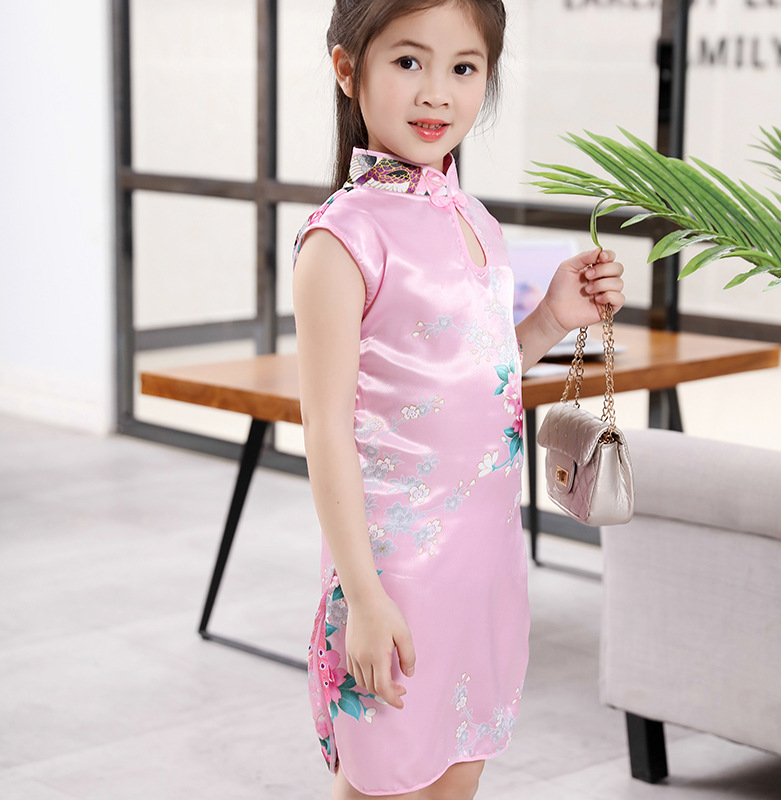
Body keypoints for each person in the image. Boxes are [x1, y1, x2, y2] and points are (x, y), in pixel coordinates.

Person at [292, 1, 626, 797]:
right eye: (409, 61)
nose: (437, 91)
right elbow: (326, 433)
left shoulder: (476, 221)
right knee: (386, 776)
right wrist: (364, 597)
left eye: (464, 67)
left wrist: (550, 319)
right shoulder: (341, 240)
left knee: (458, 769)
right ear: (348, 70)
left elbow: (478, 379)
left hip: (484, 564)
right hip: (394, 573)